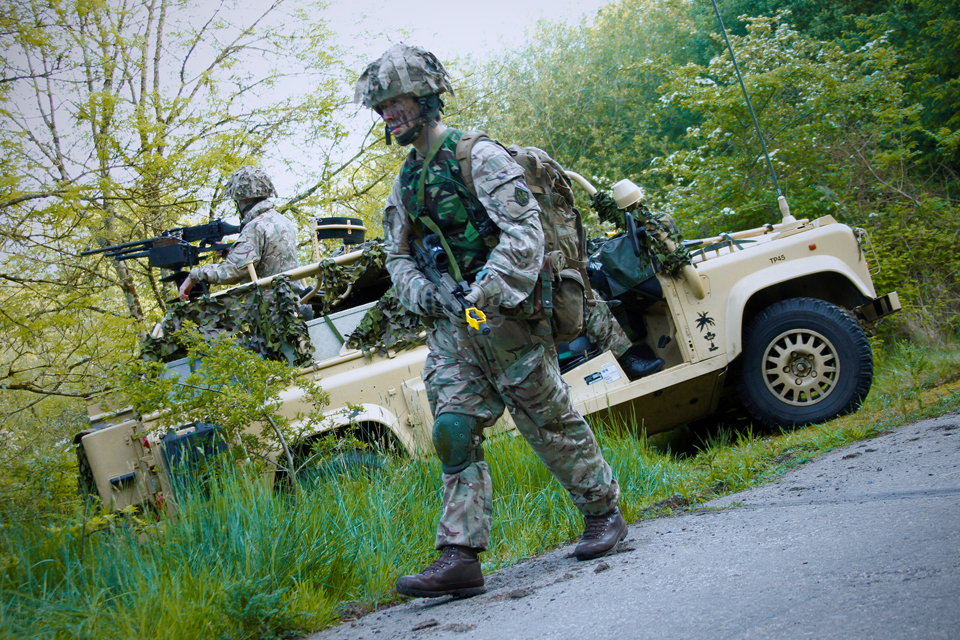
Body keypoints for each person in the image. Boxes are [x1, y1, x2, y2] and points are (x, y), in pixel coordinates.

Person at [355, 43, 627, 599]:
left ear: (427, 96)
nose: (389, 115)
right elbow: (397, 255)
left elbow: (526, 234)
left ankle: (604, 513)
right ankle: (460, 555)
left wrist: (488, 292)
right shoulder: (405, 183)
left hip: (508, 319)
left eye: (397, 102)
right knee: (453, 431)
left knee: (547, 422)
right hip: (454, 328)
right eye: (381, 108)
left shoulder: (478, 156)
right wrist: (425, 295)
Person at [178, 166, 298, 301]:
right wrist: (231, 253)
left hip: (272, 307)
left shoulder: (255, 226)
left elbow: (232, 272)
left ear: (244, 200)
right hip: (292, 300)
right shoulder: (282, 220)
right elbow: (268, 262)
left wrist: (195, 275)